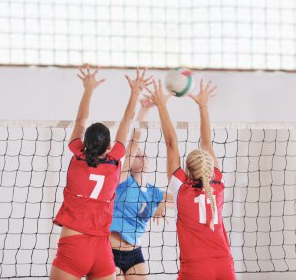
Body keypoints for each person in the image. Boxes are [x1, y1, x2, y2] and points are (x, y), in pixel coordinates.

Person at [50, 66, 152, 280]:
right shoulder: (115, 161)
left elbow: (80, 121)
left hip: (73, 245)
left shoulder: (77, 157)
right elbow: (127, 122)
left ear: (84, 144)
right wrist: (134, 93)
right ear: (109, 147)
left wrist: (88, 89)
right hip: (102, 250)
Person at [146, 79, 235, 280]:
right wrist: (203, 105)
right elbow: (206, 142)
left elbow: (171, 143)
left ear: (186, 170)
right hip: (224, 265)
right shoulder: (218, 186)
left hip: (196, 268)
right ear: (210, 169)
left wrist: (161, 104)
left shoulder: (180, 188)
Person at [110, 99, 173, 279]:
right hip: (110, 251)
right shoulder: (122, 180)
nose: (143, 157)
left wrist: (162, 203)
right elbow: (134, 142)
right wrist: (143, 112)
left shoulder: (154, 192)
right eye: (138, 156)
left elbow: (180, 198)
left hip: (135, 254)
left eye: (145, 155)